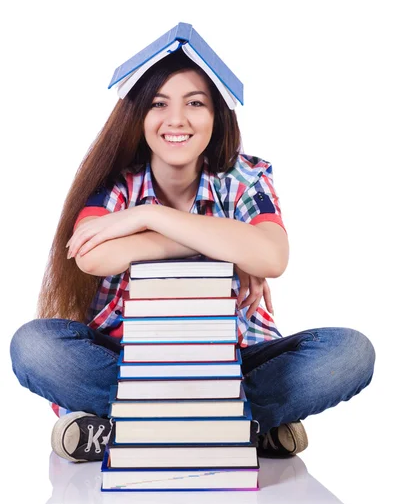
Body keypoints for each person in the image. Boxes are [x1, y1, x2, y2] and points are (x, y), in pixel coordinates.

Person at [10, 48, 375, 463]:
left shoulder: (245, 177)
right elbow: (92, 256)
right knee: (35, 346)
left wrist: (150, 217)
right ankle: (245, 428)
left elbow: (272, 256)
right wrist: (225, 245)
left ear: (217, 115)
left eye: (195, 103)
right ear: (139, 116)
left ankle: (125, 430)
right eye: (159, 103)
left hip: (231, 363)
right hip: (129, 361)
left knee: (350, 352)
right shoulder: (116, 181)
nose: (177, 120)